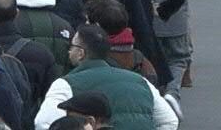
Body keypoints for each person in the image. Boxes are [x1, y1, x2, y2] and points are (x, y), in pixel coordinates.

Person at [34, 25, 180, 128]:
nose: (69, 52)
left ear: (81, 53)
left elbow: (43, 123)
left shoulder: (65, 84)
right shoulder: (140, 81)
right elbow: (169, 121)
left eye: (71, 47)